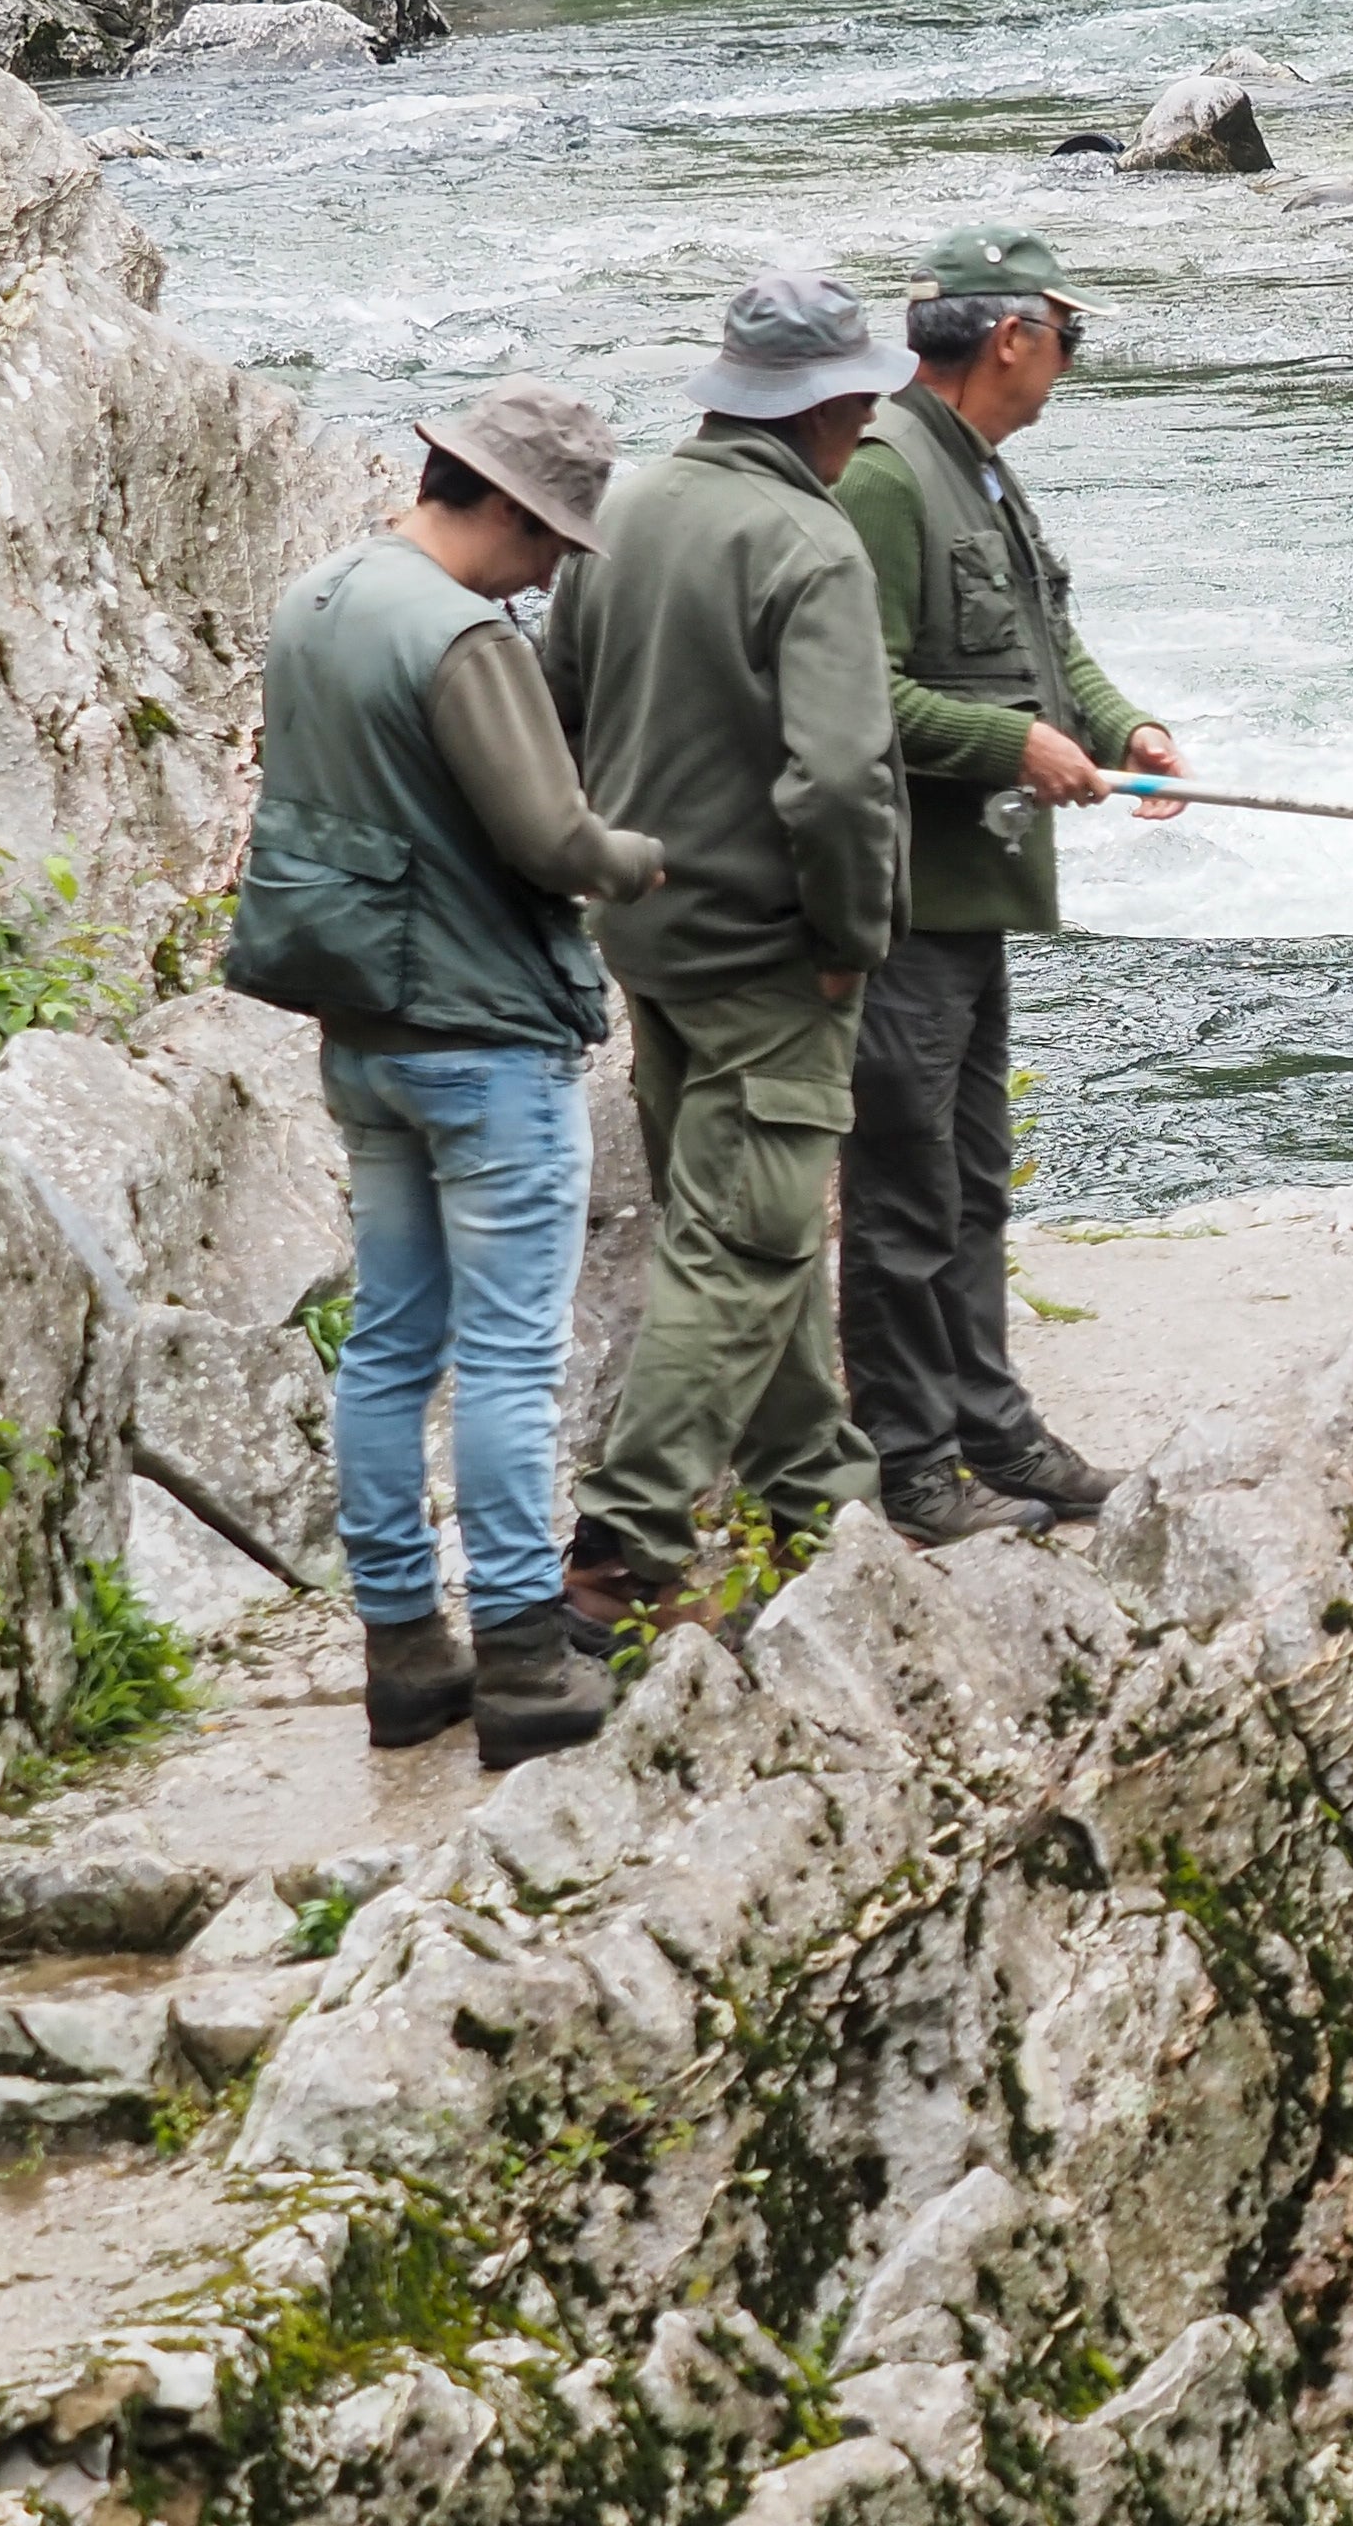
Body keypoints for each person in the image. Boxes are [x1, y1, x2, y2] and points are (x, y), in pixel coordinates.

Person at [224, 382, 654, 1767]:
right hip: (487, 1043)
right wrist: (648, 856)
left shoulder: (319, 599)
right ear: (514, 513)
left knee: (393, 1346)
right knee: (513, 1361)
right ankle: (527, 1665)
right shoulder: (465, 639)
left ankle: (406, 1654)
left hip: (368, 1037)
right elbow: (553, 841)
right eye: (551, 545)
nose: (549, 575)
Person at [545, 271, 909, 1639]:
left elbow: (557, 710)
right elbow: (837, 784)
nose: (871, 413)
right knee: (741, 1241)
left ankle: (819, 1496)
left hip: (646, 938)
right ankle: (619, 1553)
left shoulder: (623, 509)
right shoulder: (809, 547)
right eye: (861, 394)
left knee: (740, 1225)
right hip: (772, 953)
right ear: (828, 406)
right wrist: (847, 938)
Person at [831, 223, 1184, 1543]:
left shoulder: (978, 475)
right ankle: (916, 1471)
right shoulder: (885, 478)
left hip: (978, 900)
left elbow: (1050, 650)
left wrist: (1119, 731)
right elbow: (860, 691)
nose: (1068, 363)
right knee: (905, 1192)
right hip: (905, 905)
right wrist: (1011, 746)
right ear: (1011, 339)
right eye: (1066, 337)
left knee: (975, 1181)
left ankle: (997, 1431)